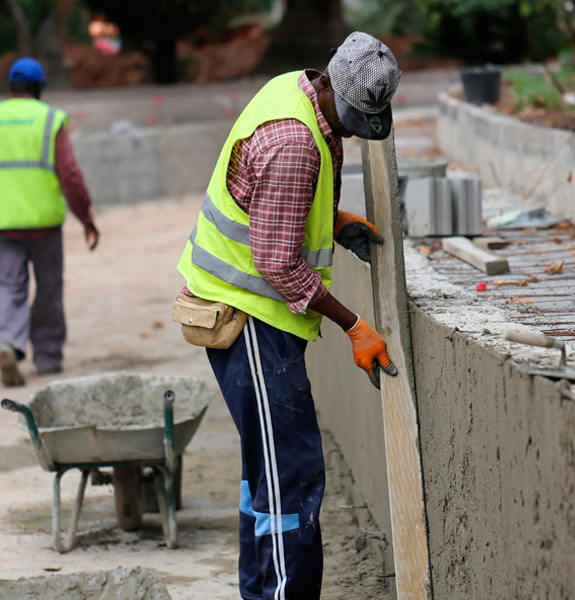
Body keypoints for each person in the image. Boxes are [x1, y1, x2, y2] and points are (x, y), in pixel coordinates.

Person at [177, 32, 400, 600]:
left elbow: (273, 203)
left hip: (256, 313)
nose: (352, 129)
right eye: (352, 117)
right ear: (329, 86)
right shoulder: (294, 141)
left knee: (270, 472)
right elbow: (277, 263)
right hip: (248, 316)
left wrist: (331, 220)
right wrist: (355, 325)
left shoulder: (293, 90)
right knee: (291, 477)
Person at [0, 58, 99, 387]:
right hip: (44, 223)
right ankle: (47, 356)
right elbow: (70, 175)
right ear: (40, 87)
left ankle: (9, 343)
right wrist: (85, 216)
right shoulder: (50, 119)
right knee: (48, 289)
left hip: (4, 224)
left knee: (9, 287)